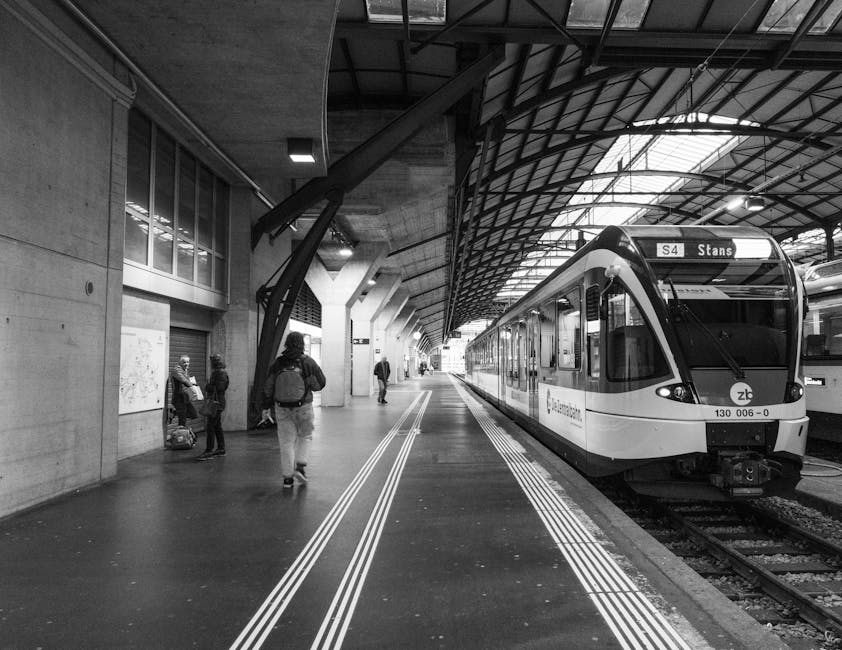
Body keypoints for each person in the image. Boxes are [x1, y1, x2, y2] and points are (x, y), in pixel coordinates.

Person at [262, 332, 326, 489]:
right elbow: (321, 383)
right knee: (305, 436)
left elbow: (268, 387)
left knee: (286, 443)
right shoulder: (308, 363)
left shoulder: (278, 363)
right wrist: (308, 383)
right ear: (302, 344)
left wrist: (265, 406)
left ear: (286, 344)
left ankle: (287, 479)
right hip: (303, 406)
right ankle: (300, 466)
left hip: (282, 408)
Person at [196, 353, 230, 461]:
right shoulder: (221, 372)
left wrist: (208, 386)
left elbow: (219, 387)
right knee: (217, 426)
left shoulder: (219, 373)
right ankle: (221, 448)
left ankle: (209, 451)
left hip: (216, 403)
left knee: (211, 426)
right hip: (219, 402)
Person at [170, 355, 198, 426]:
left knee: (193, 414)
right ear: (179, 362)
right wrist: (193, 388)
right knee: (182, 419)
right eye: (184, 362)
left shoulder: (185, 370)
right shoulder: (176, 370)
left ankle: (175, 412)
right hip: (178, 398)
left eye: (188, 362)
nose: (186, 364)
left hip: (185, 397)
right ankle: (181, 434)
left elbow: (188, 381)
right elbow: (184, 380)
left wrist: (193, 384)